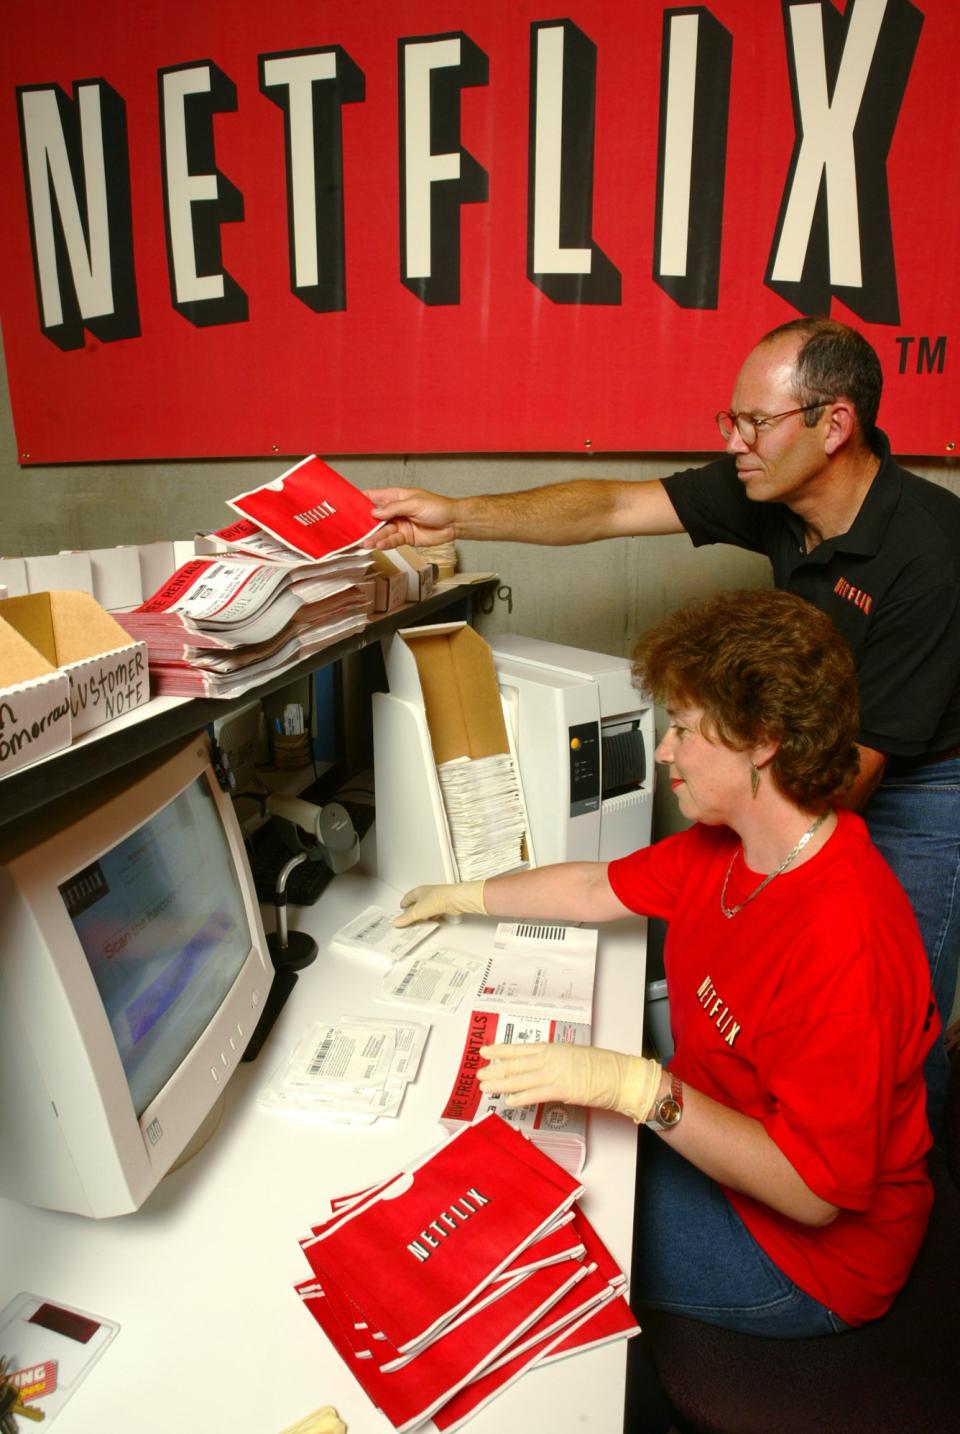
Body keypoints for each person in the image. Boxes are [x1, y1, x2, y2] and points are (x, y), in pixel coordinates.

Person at [367, 316, 960, 1127]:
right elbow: (609, 505)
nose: (736, 441)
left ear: (835, 425)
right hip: (814, 751)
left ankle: (902, 1205)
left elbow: (847, 781)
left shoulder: (930, 558)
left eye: (755, 422)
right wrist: (457, 515)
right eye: (732, 420)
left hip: (921, 773)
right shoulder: (771, 486)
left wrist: (715, 832)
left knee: (894, 1011)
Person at [395, 590, 939, 1356]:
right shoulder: (730, 844)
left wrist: (637, 1089)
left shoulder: (842, 940)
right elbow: (593, 888)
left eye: (682, 728)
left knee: (504, 1251)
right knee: (510, 1177)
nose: (662, 751)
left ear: (764, 741)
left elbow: (815, 1196)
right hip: (723, 1151)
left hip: (806, 1258)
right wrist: (460, 895)